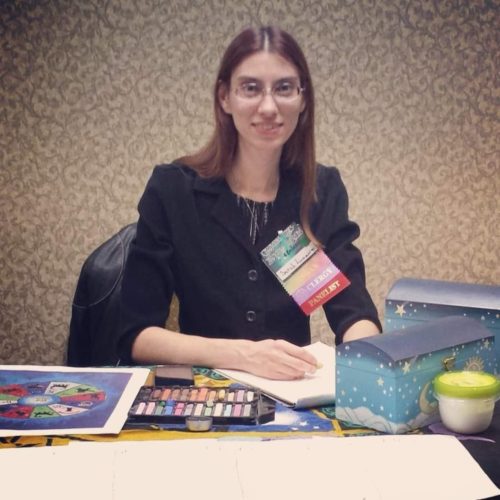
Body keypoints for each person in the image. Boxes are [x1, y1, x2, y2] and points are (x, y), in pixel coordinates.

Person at [118, 26, 381, 380]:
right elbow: (136, 335)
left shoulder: (318, 192)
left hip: (292, 401)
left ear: (303, 99)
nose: (269, 107)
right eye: (251, 88)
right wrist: (241, 355)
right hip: (203, 398)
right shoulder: (174, 191)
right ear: (225, 97)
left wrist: (371, 368)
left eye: (284, 88)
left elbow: (351, 314)